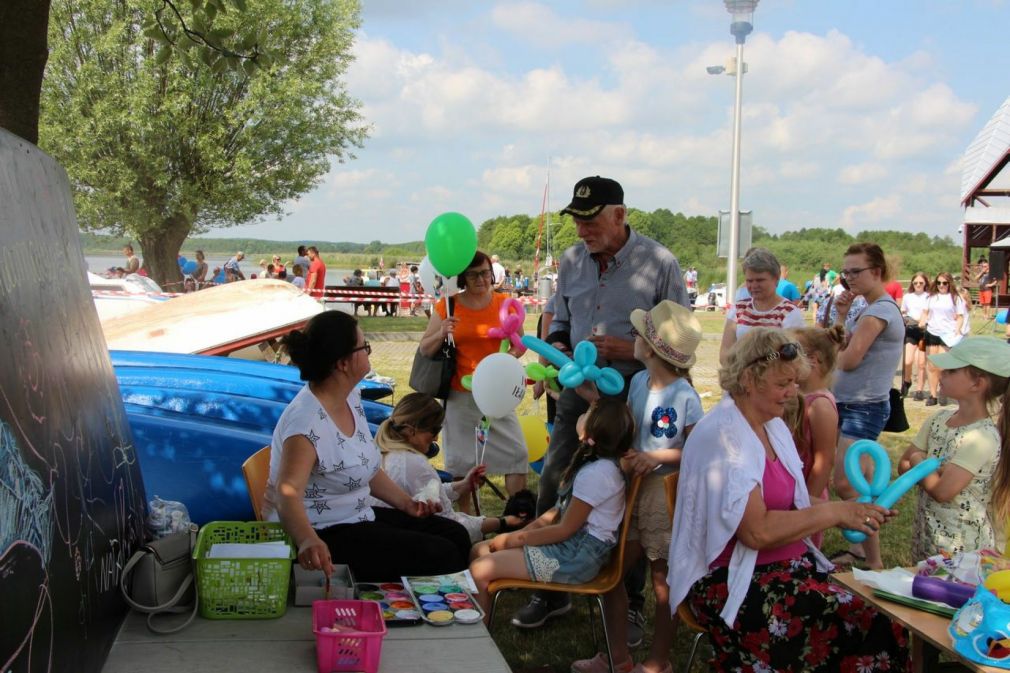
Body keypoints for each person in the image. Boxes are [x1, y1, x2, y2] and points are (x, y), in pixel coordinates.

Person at [667, 327, 908, 672]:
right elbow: (757, 533)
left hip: (781, 569)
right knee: (872, 623)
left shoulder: (770, 425)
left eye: (795, 383)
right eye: (784, 384)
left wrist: (857, 511)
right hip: (733, 580)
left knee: (883, 610)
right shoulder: (725, 438)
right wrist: (835, 512)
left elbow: (794, 500)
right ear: (749, 379)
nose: (793, 394)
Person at [516, 175, 688, 641]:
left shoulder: (659, 263)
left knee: (627, 489)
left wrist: (628, 348)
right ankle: (549, 589)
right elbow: (560, 320)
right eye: (576, 219)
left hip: (634, 393)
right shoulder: (572, 260)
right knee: (556, 476)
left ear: (619, 214)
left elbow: (678, 338)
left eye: (590, 220)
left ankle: (627, 601)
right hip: (577, 389)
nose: (581, 230)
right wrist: (558, 350)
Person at [263, 311, 471, 581]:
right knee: (441, 553)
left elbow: (366, 467)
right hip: (325, 533)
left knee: (455, 534)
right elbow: (286, 494)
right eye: (365, 347)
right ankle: (425, 611)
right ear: (343, 363)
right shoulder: (306, 424)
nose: (368, 352)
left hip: (357, 516)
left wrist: (407, 504)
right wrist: (307, 540)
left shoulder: (349, 397)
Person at [571, 301, 703, 673]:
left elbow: (698, 451)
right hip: (632, 490)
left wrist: (659, 457)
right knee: (611, 574)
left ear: (652, 347)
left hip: (663, 497)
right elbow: (629, 427)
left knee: (663, 582)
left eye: (639, 333)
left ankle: (659, 662)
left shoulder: (686, 397)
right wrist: (593, 403)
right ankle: (618, 659)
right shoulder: (639, 382)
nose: (632, 337)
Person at [470, 398, 633, 621]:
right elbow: (555, 513)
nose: (581, 416)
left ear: (589, 432)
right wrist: (514, 536)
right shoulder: (594, 464)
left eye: (586, 414)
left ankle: (476, 645)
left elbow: (564, 529)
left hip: (576, 558)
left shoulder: (597, 474)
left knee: (480, 569)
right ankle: (477, 625)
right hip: (570, 549)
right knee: (480, 549)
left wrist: (513, 541)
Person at [418, 251, 529, 511]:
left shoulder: (504, 302)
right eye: (474, 274)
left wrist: (507, 360)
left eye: (485, 272)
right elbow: (425, 348)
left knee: (517, 453)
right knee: (462, 464)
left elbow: (520, 343)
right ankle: (466, 521)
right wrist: (442, 332)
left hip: (497, 396)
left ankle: (517, 517)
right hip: (460, 394)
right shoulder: (448, 305)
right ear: (462, 278)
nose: (481, 279)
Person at [828, 242, 905, 571]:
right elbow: (841, 344)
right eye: (845, 273)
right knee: (860, 487)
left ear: (877, 272)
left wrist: (826, 361)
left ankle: (871, 558)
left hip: (862, 408)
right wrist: (843, 315)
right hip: (853, 404)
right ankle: (864, 554)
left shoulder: (878, 312)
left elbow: (848, 359)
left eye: (855, 272)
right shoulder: (869, 308)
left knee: (850, 485)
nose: (849, 279)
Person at [899, 337, 1010, 560]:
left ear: (977, 384)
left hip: (962, 550)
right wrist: (931, 469)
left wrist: (920, 462)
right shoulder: (939, 419)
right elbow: (903, 466)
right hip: (929, 538)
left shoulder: (982, 438)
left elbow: (942, 491)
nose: (941, 373)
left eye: (951, 370)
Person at [374, 393, 530, 543]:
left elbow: (428, 492)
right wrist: (502, 522)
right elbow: (453, 526)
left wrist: (462, 485)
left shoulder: (385, 452)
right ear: (411, 430)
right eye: (434, 430)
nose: (436, 438)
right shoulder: (414, 464)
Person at [786, 325, 845, 548]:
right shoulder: (797, 396)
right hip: (792, 491)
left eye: (790, 354)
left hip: (807, 494)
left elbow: (824, 460)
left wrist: (806, 506)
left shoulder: (820, 405)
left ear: (813, 360)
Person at [719, 248, 805, 366]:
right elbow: (725, 352)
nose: (754, 285)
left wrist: (756, 365)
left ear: (776, 279)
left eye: (760, 280)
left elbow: (792, 354)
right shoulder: (738, 309)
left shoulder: (789, 312)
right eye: (749, 281)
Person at [920, 272, 967, 407]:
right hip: (932, 332)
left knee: (942, 366)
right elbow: (925, 312)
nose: (941, 285)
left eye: (944, 283)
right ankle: (933, 395)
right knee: (931, 365)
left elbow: (960, 316)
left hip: (947, 334)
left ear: (949, 284)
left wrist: (957, 330)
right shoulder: (931, 297)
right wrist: (922, 321)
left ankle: (944, 391)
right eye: (939, 282)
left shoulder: (956, 298)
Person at [900, 272, 931, 400]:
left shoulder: (929, 296)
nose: (918, 285)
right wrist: (905, 318)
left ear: (925, 284)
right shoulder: (908, 296)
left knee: (921, 362)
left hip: (924, 331)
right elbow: (903, 310)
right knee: (907, 360)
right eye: (916, 283)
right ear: (912, 284)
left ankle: (920, 389)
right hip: (911, 329)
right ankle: (907, 381)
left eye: (921, 283)